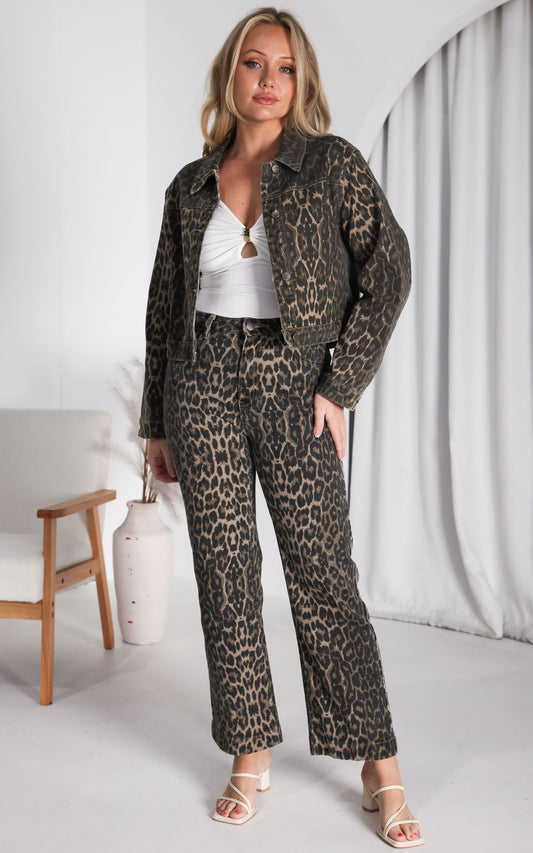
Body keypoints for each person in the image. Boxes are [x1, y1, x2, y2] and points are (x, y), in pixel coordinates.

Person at [139, 6, 424, 848]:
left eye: (286, 67)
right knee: (224, 574)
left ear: (302, 82)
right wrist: (156, 421)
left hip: (294, 380)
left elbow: (388, 269)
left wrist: (340, 384)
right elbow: (162, 308)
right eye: (254, 63)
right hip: (200, 384)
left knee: (322, 572)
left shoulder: (330, 165)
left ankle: (379, 767)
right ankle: (249, 752)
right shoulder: (190, 184)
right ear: (230, 74)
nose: (269, 80)